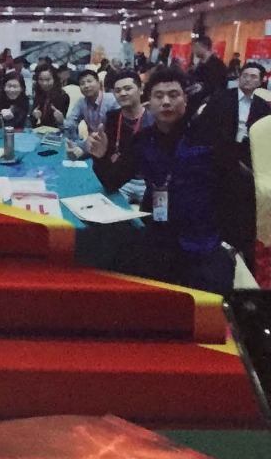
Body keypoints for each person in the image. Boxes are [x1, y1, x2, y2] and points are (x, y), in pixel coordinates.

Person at [88, 66, 239, 295]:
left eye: (173, 95)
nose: (166, 102)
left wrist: (231, 243)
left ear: (185, 99)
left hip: (203, 242)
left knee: (208, 300)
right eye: (159, 96)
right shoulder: (143, 141)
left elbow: (236, 190)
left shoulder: (209, 137)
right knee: (116, 274)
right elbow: (112, 181)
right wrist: (100, 158)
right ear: (149, 101)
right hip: (160, 235)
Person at [26, 63, 70, 130]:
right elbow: (34, 123)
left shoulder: (63, 97)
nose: (44, 83)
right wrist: (34, 116)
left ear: (54, 79)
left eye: (48, 80)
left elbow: (66, 124)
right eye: (41, 79)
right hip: (38, 132)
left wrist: (61, 120)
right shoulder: (38, 95)